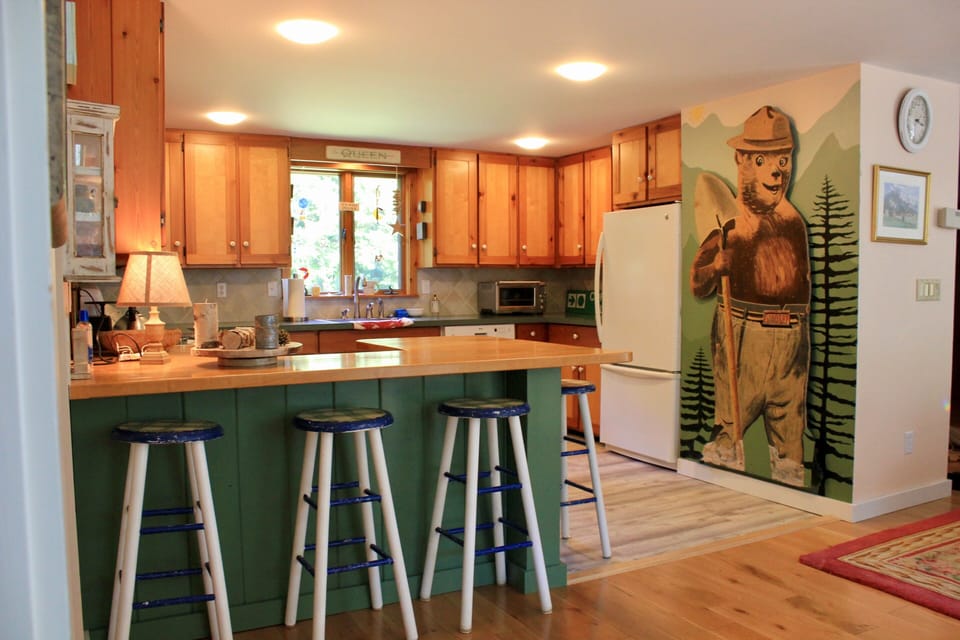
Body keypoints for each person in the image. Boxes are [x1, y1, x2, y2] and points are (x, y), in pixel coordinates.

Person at [689, 106, 811, 487]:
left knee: (790, 434)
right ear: (742, 161)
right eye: (763, 160)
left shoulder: (794, 222)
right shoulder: (729, 223)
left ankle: (792, 488)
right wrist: (716, 267)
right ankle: (722, 487)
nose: (777, 171)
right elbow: (697, 282)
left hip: (793, 337)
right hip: (744, 334)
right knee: (731, 428)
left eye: (783, 158)